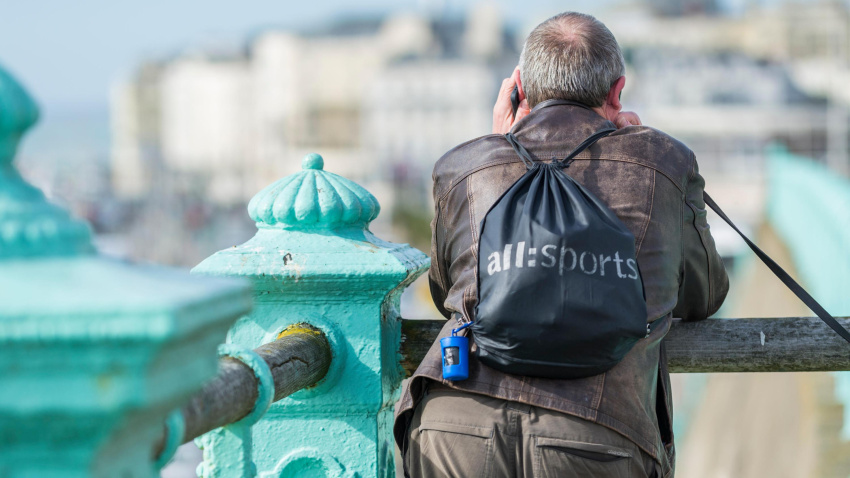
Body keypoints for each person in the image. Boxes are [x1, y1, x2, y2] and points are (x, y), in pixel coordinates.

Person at [394, 11, 729, 478]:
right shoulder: (663, 159)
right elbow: (704, 295)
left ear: (520, 92)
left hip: (452, 425)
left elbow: (447, 290)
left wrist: (499, 145)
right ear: (617, 91)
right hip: (597, 435)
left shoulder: (465, 165)